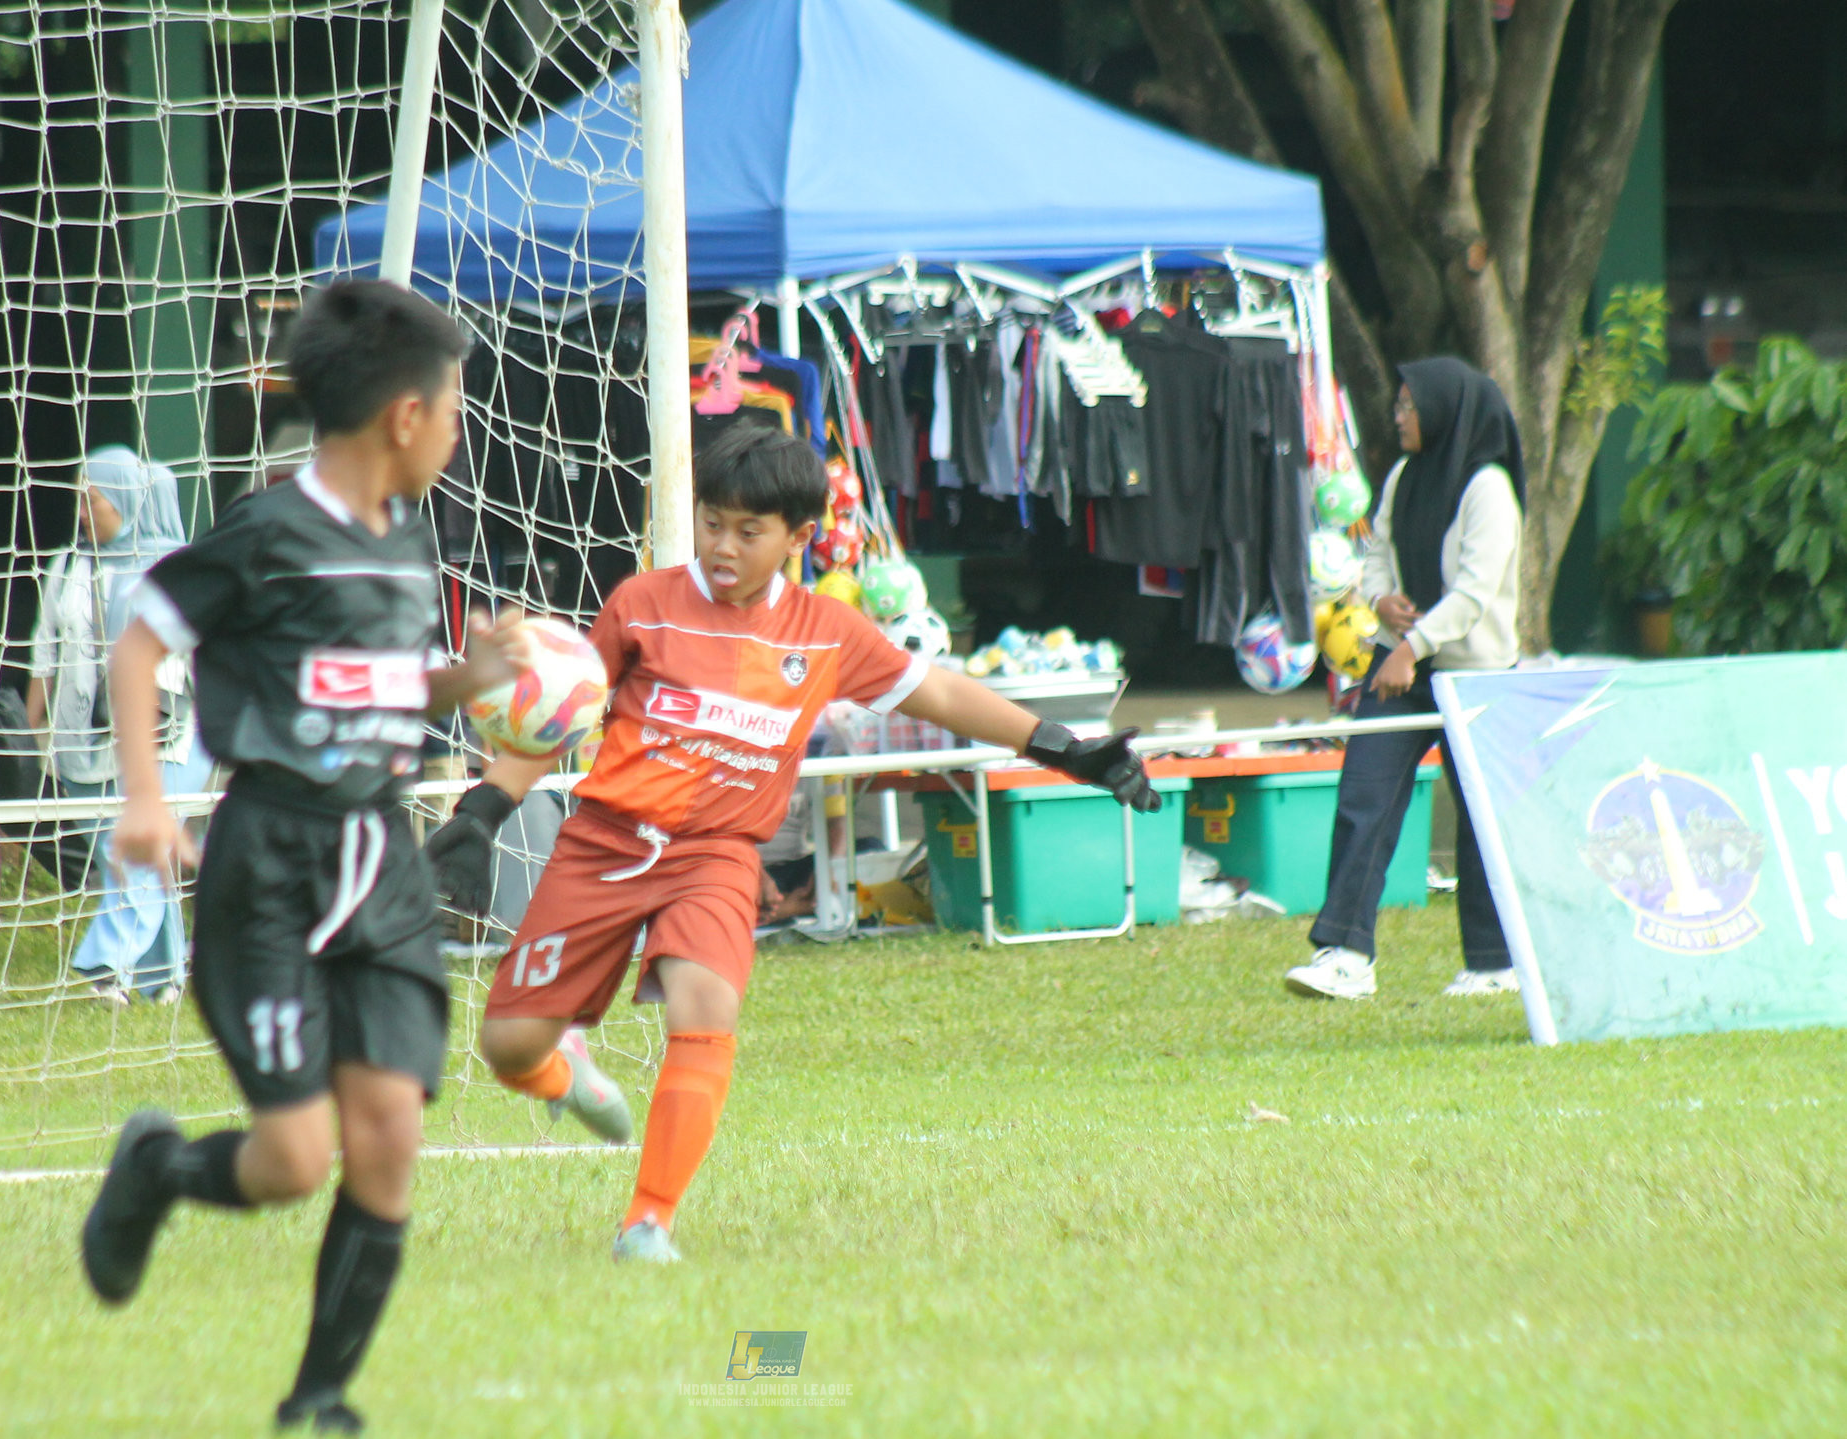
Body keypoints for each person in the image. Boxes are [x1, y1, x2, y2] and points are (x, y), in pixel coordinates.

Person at [424, 424, 1161, 1264]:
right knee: (508, 1046)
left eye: (749, 531)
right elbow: (556, 713)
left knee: (708, 1003)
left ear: (799, 537)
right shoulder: (642, 603)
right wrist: (480, 815)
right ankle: (567, 1067)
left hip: (716, 856)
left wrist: (1064, 747)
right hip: (604, 842)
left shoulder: (828, 631)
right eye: (711, 523)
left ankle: (649, 1221)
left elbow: (944, 695)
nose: (722, 546)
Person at [77, 279, 526, 1435]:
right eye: (456, 404)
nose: (462, 426)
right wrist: (140, 798)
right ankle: (158, 1170)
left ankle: (318, 1400)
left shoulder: (408, 538)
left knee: (388, 1136)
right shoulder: (263, 533)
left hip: (379, 856)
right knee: (290, 1158)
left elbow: (381, 687)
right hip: (270, 858)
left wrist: (467, 680)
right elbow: (138, 647)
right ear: (404, 418)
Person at [1283, 357, 1523, 1002]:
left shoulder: (1488, 489)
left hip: (1476, 675)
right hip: (1403, 669)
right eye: (1398, 405)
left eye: (1408, 405)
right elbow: (1378, 554)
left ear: (1445, 409)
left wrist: (1410, 647)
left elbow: (1475, 593)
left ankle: (1494, 963)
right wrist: (1384, 600)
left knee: (1479, 821)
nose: (1398, 416)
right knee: (1366, 794)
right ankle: (1347, 954)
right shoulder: (1402, 477)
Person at [29, 445, 209, 1005]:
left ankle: (106, 964)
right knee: (120, 850)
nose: (82, 509)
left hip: (172, 737)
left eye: (94, 498)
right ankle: (166, 980)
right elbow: (46, 650)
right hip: (81, 739)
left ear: (127, 501)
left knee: (138, 850)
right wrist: (25, 728)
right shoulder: (68, 564)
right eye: (80, 497)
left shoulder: (178, 567)